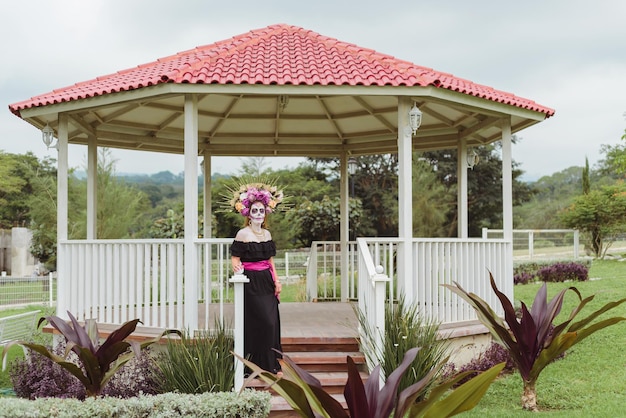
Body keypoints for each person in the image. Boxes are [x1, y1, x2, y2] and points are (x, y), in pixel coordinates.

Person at [230, 183, 284, 374]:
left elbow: (270, 261)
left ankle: (271, 364)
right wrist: (236, 267)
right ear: (248, 213)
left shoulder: (267, 234)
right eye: (255, 210)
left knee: (271, 323)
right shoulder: (243, 234)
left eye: (262, 210)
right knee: (257, 322)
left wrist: (276, 280)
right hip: (250, 282)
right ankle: (251, 364)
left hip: (266, 282)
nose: (259, 213)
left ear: (265, 213)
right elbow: (235, 256)